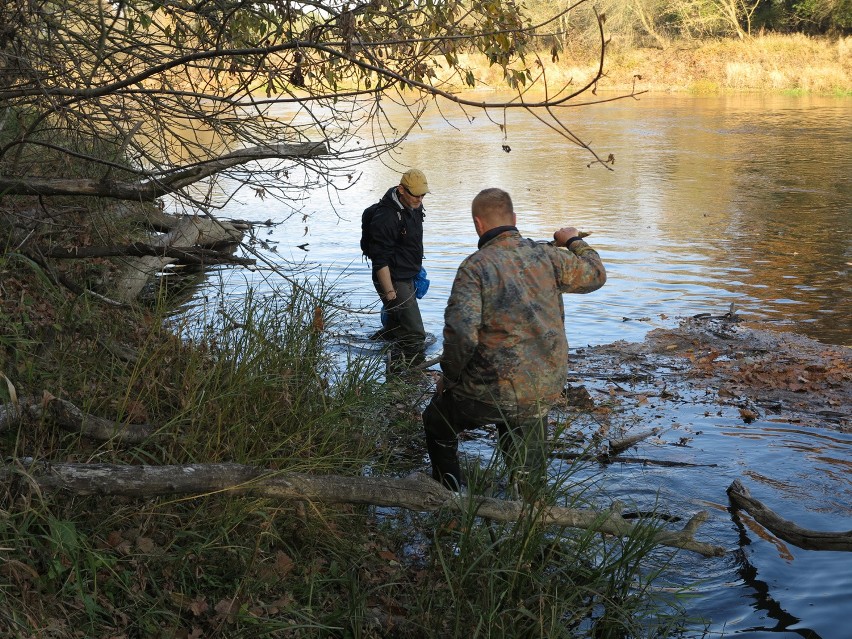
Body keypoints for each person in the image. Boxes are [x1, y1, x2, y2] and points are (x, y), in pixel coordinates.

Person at [421, 187, 607, 493]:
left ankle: (448, 494)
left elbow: (461, 335)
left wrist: (450, 377)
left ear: (478, 225)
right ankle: (530, 508)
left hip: (490, 390)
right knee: (526, 442)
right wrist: (573, 240)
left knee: (436, 421)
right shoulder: (548, 256)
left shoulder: (475, 267)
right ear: (514, 219)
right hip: (543, 387)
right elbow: (596, 274)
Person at [365, 169, 429, 367]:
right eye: (415, 195)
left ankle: (393, 379)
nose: (419, 199)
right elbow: (380, 260)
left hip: (407, 274)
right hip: (392, 278)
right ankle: (412, 376)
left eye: (423, 195)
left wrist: (418, 269)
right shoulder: (386, 216)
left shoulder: (413, 205)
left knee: (396, 328)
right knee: (416, 336)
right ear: (401, 189)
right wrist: (390, 293)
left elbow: (411, 243)